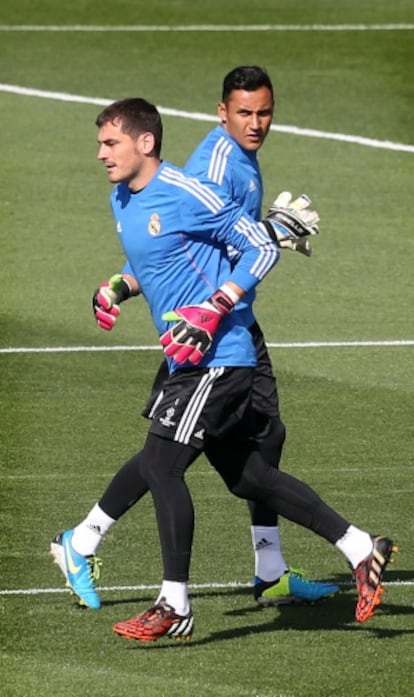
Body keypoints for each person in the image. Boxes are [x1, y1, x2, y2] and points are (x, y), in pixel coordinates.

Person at [51, 96, 396, 643]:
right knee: (250, 478)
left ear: (145, 142)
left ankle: (174, 604)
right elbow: (154, 259)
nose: (100, 154)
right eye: (100, 143)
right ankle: (359, 547)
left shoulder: (187, 192)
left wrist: (216, 305)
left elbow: (260, 247)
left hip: (219, 359)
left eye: (110, 142)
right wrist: (116, 288)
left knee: (162, 464)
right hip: (185, 358)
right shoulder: (122, 197)